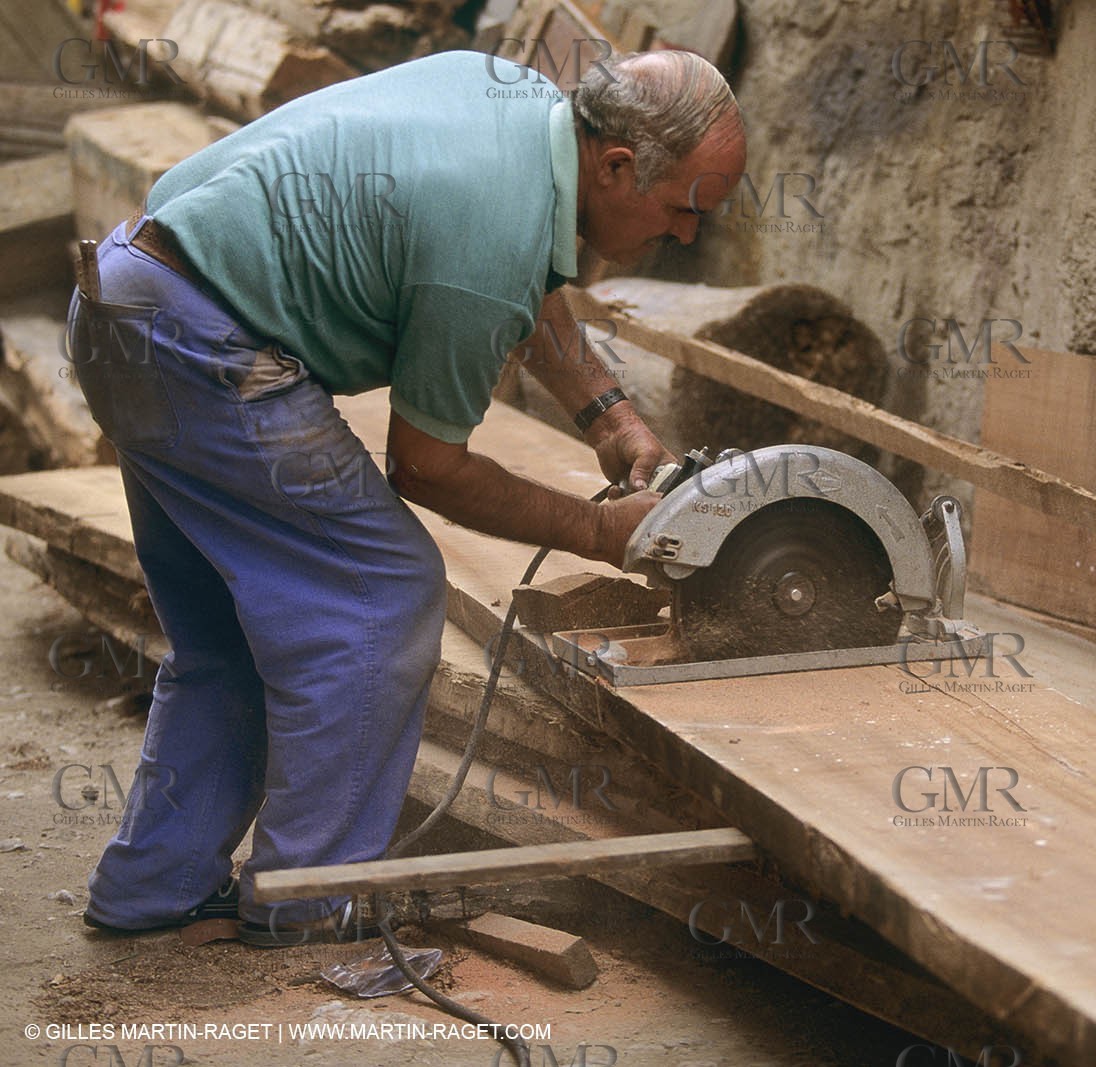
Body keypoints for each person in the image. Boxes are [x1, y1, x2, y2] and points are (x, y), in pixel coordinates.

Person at [68, 47, 746, 945]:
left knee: (225, 632)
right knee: (381, 592)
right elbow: (426, 467)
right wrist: (602, 530)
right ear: (617, 166)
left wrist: (609, 416)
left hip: (125, 302)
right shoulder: (488, 231)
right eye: (684, 209)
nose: (687, 235)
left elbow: (525, 280)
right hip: (203, 350)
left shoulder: (518, 104)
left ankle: (151, 886)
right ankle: (313, 898)